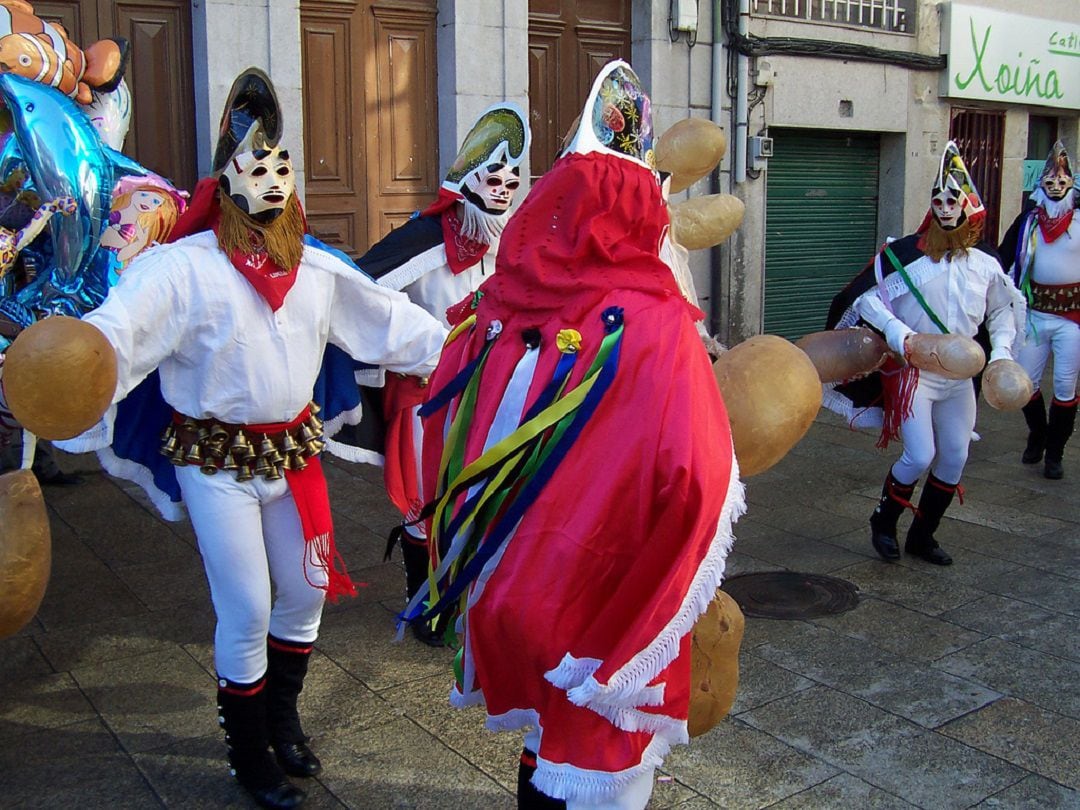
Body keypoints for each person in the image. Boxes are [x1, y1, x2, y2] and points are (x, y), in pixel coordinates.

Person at [60, 68, 447, 809]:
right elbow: (115, 334)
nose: (271, 181)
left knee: (304, 593)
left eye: (280, 167)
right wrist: (70, 368)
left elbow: (392, 324)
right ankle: (249, 752)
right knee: (246, 607)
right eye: (254, 166)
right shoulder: (180, 271)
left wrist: (476, 350)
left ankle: (283, 720)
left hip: (293, 458)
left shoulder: (316, 269)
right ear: (226, 178)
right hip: (216, 463)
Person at [403, 61, 744, 809]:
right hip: (606, 598)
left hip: (522, 591)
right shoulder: (657, 326)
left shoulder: (502, 310)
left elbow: (448, 430)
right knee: (600, 760)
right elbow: (700, 484)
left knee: (543, 741)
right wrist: (660, 606)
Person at [340, 103, 529, 645]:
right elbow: (362, 291)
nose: (504, 188)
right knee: (427, 503)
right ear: (466, 179)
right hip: (427, 395)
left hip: (490, 391)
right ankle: (425, 606)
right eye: (494, 177)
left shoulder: (511, 241)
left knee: (486, 494)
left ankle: (475, 596)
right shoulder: (423, 239)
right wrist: (409, 348)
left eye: (513, 179)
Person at [826, 141, 1024, 566]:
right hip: (915, 372)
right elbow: (863, 300)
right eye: (938, 199)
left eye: (953, 199)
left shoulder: (986, 263)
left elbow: (1003, 310)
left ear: (970, 205)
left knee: (954, 455)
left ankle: (923, 535)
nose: (945, 206)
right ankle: (884, 522)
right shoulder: (905, 255)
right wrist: (901, 337)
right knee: (919, 454)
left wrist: (1003, 351)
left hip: (960, 378)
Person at [998, 141, 1078, 480]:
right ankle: (1039, 434)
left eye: (1062, 180)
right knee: (1025, 383)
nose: (1056, 186)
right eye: (1050, 180)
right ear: (1040, 184)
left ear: (1072, 182)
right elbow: (1001, 259)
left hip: (1073, 318)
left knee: (1064, 385)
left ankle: (1055, 454)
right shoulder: (1028, 221)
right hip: (1035, 313)